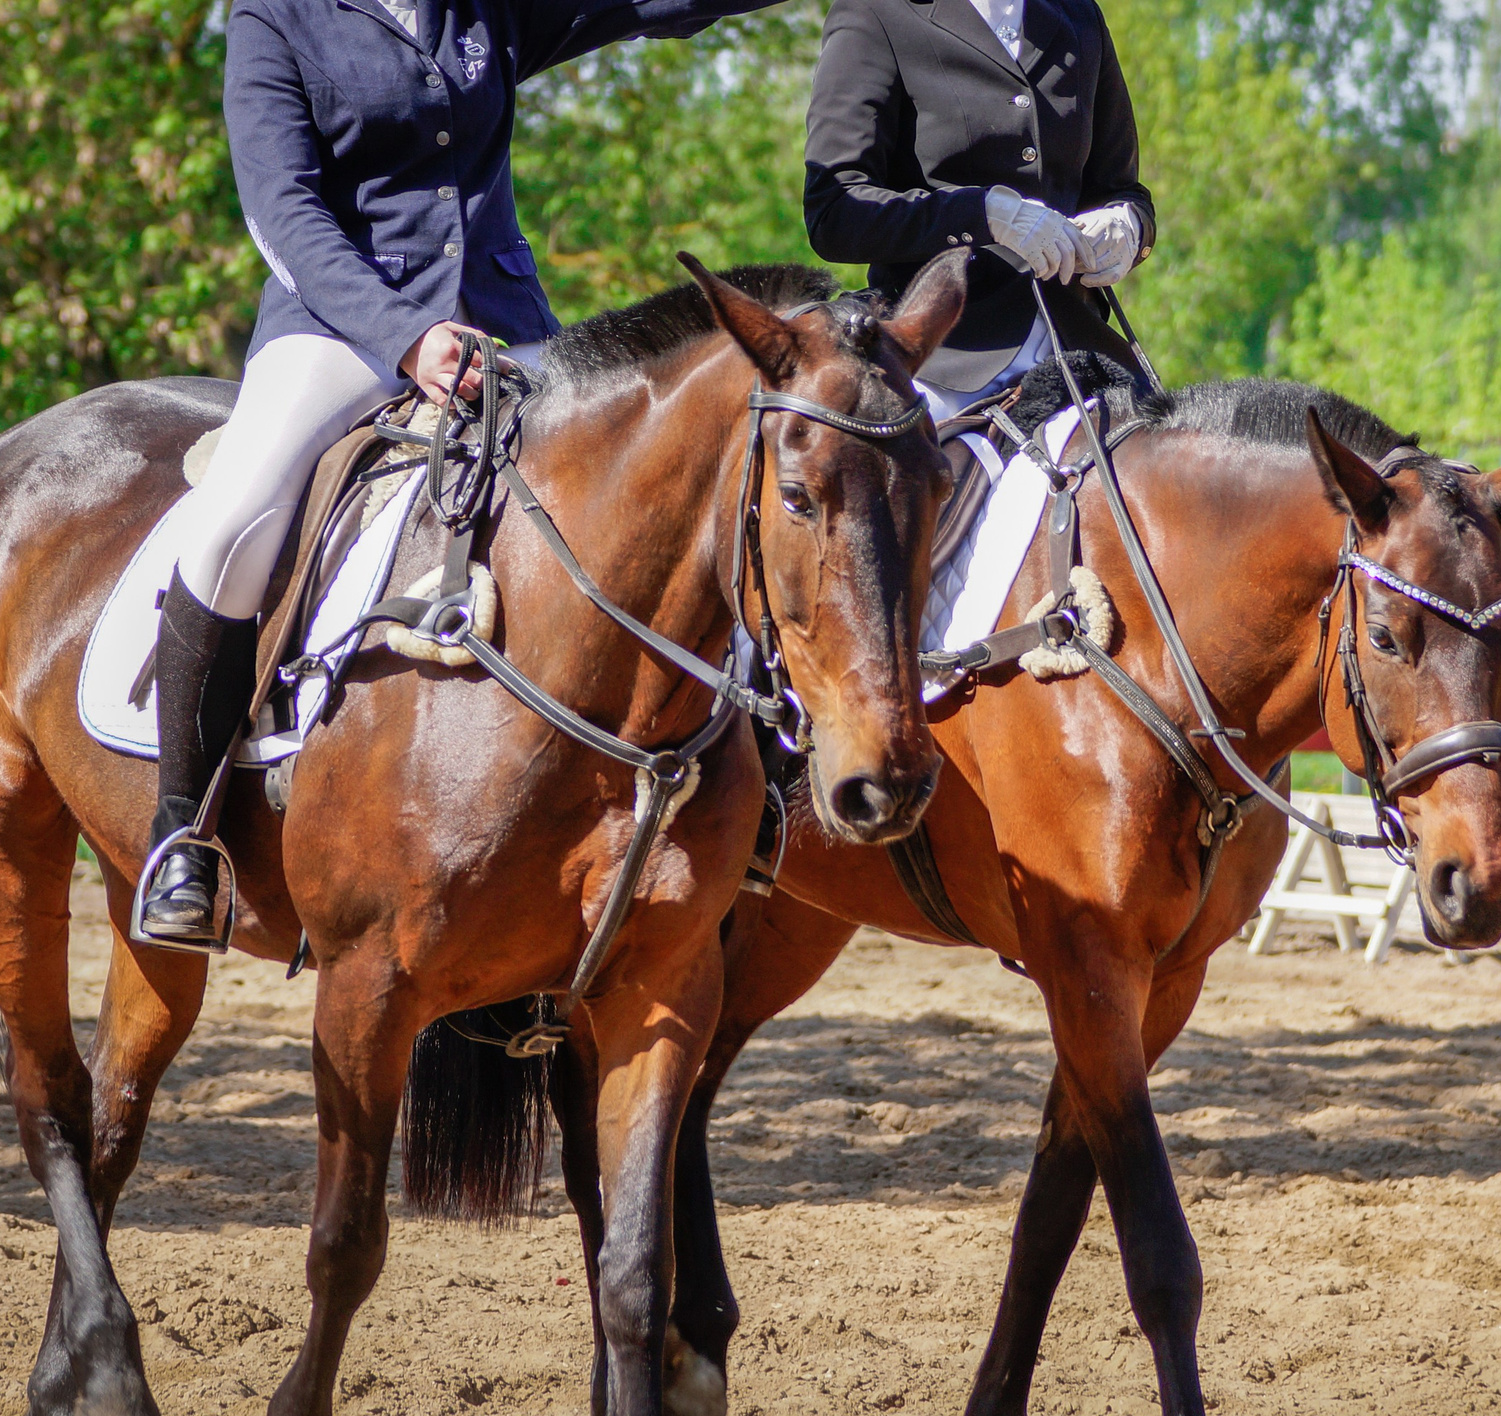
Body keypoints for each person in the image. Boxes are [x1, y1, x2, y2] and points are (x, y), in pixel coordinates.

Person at [141, 0, 783, 948]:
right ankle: (183, 828)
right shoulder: (275, 16)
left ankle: (742, 783)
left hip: (506, 325)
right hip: (345, 327)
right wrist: (405, 338)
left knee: (662, 497)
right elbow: (281, 208)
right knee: (237, 514)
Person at [803, 0, 1154, 421]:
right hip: (942, 358)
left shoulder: (1079, 14)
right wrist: (984, 216)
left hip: (1078, 350)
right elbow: (835, 212)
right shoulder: (875, 12)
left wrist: (1129, 228)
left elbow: (1121, 190)